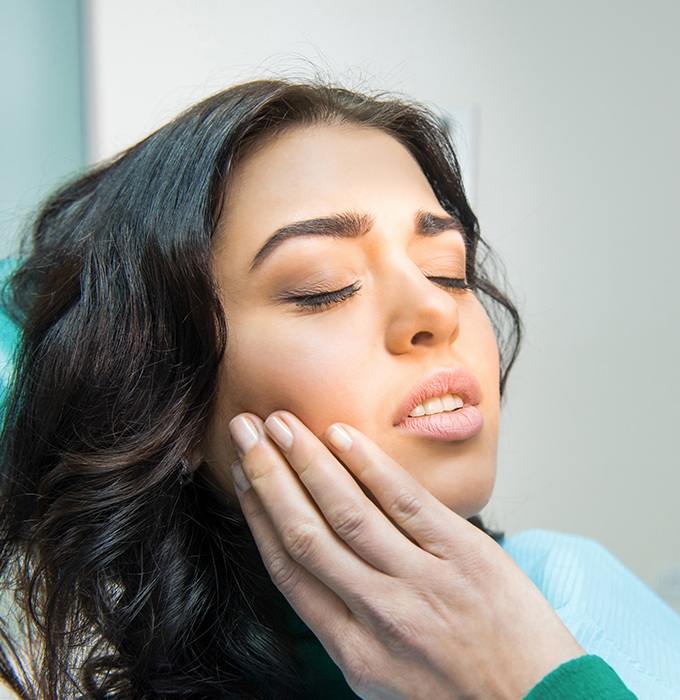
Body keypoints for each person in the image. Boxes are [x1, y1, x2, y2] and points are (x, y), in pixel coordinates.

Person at [0, 78, 676, 699]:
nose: (437, 312)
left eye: (447, 269)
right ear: (168, 402)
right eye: (323, 287)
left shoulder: (580, 591)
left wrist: (530, 681)